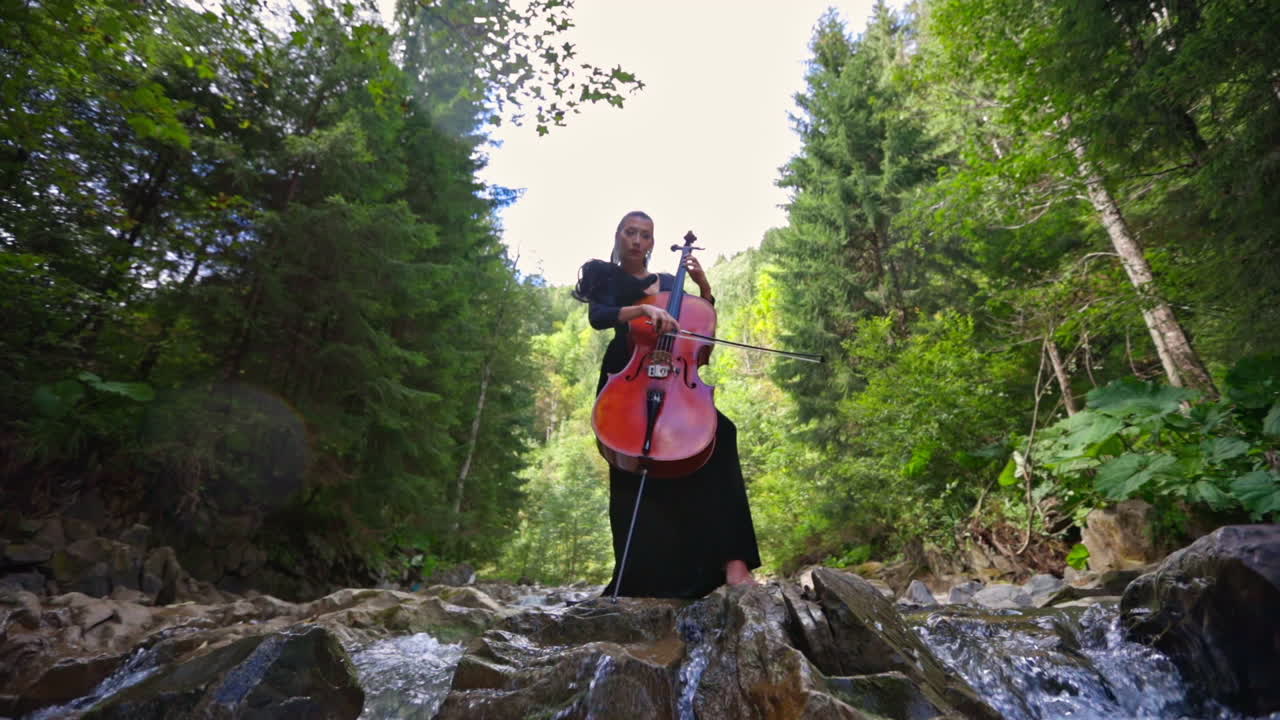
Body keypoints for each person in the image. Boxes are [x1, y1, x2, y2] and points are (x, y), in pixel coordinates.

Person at [574, 210, 761, 598]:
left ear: (653, 242)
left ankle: (732, 561)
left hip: (674, 378)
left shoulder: (671, 282)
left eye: (645, 234)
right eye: (631, 232)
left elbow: (700, 323)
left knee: (719, 435)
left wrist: (704, 285)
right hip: (628, 373)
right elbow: (600, 316)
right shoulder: (606, 277)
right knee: (632, 467)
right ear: (619, 235)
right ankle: (636, 574)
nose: (637, 240)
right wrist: (644, 310)